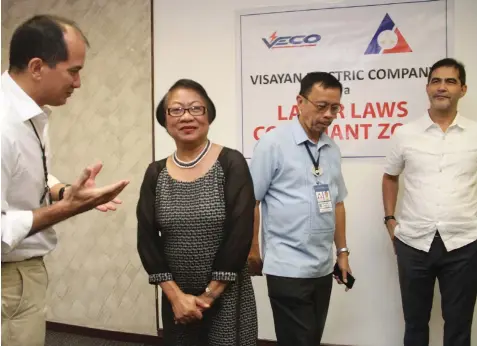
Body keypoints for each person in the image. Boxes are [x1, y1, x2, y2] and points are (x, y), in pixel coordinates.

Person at [1, 15, 129, 346]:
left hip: (21, 276)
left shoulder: (28, 115)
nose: (78, 83)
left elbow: (23, 177)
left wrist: (62, 192)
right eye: (73, 71)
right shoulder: (3, 125)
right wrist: (69, 208)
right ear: (37, 67)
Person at [136, 79, 258, 346]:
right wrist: (176, 297)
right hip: (175, 298)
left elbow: (240, 233)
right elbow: (147, 239)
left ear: (209, 115)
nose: (187, 116)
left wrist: (208, 297)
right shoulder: (155, 173)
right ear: (165, 120)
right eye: (176, 110)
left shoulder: (231, 162)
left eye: (196, 108)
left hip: (226, 295)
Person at [248, 72, 352, 346]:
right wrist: (252, 250)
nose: (329, 114)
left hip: (321, 267)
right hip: (286, 266)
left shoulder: (331, 148)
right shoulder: (273, 144)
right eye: (321, 106)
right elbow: (251, 201)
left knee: (311, 339)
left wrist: (342, 253)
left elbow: (337, 203)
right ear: (300, 102)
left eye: (335, 108)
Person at [382, 58, 477, 346]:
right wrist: (390, 221)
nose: (442, 87)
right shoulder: (405, 134)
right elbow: (390, 177)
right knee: (414, 323)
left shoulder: (475, 133)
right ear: (427, 88)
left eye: (450, 81)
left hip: (464, 244)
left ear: (463, 89)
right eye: (436, 81)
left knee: (459, 325)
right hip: (413, 242)